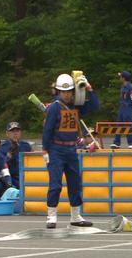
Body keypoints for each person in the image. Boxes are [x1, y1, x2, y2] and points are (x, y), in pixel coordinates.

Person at [42, 73, 99, 228]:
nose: (66, 95)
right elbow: (47, 130)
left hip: (71, 149)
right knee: (55, 184)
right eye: (63, 92)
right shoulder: (54, 108)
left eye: (69, 92)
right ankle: (51, 216)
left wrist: (88, 87)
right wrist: (45, 151)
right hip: (56, 149)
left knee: (75, 183)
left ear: (73, 91)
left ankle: (75, 216)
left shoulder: (76, 106)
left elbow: (95, 105)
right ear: (59, 92)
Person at [0, 122, 32, 188]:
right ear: (7, 133)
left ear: (20, 133)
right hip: (11, 177)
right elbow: (0, 166)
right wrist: (9, 156)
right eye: (12, 131)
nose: (15, 133)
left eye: (17, 131)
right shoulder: (2, 147)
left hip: (26, 175)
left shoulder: (26, 146)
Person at [111, 71, 132, 149]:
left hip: (128, 108)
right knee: (118, 124)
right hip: (122, 108)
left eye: (121, 77)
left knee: (128, 125)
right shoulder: (123, 86)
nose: (120, 78)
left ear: (124, 78)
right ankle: (117, 143)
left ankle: (131, 143)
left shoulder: (131, 87)